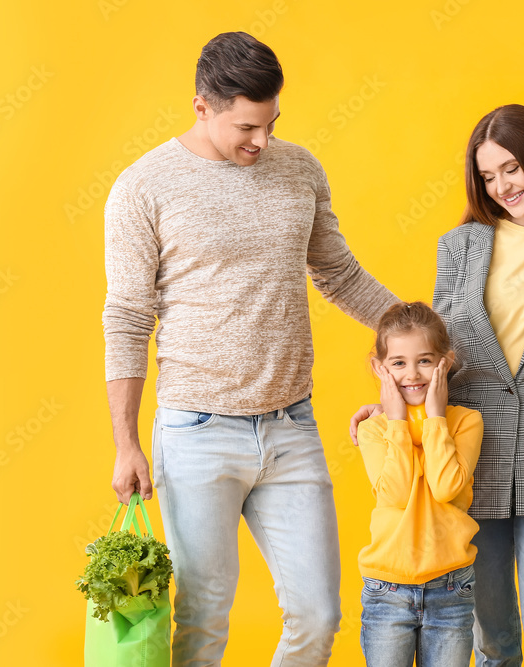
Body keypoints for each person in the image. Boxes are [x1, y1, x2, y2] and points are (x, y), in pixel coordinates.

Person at [103, 32, 398, 666]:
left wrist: (417, 331)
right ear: (201, 106)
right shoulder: (143, 187)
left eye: (270, 124)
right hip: (196, 430)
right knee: (203, 620)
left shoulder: (300, 169)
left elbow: (338, 273)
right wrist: (126, 441)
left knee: (319, 616)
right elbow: (127, 318)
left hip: (291, 425)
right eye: (245, 127)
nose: (260, 142)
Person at [351, 104, 524, 666]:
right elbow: (439, 349)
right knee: (493, 642)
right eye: (487, 175)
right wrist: (395, 401)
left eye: (510, 169)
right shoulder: (461, 246)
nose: (500, 186)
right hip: (474, 460)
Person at [356, 301, 483, 667]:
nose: (412, 374)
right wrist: (397, 423)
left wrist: (435, 418)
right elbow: (394, 495)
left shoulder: (464, 423)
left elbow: (446, 488)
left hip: (451, 588)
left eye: (425, 361)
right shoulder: (374, 429)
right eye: (398, 363)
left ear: (446, 362)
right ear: (380, 369)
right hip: (387, 591)